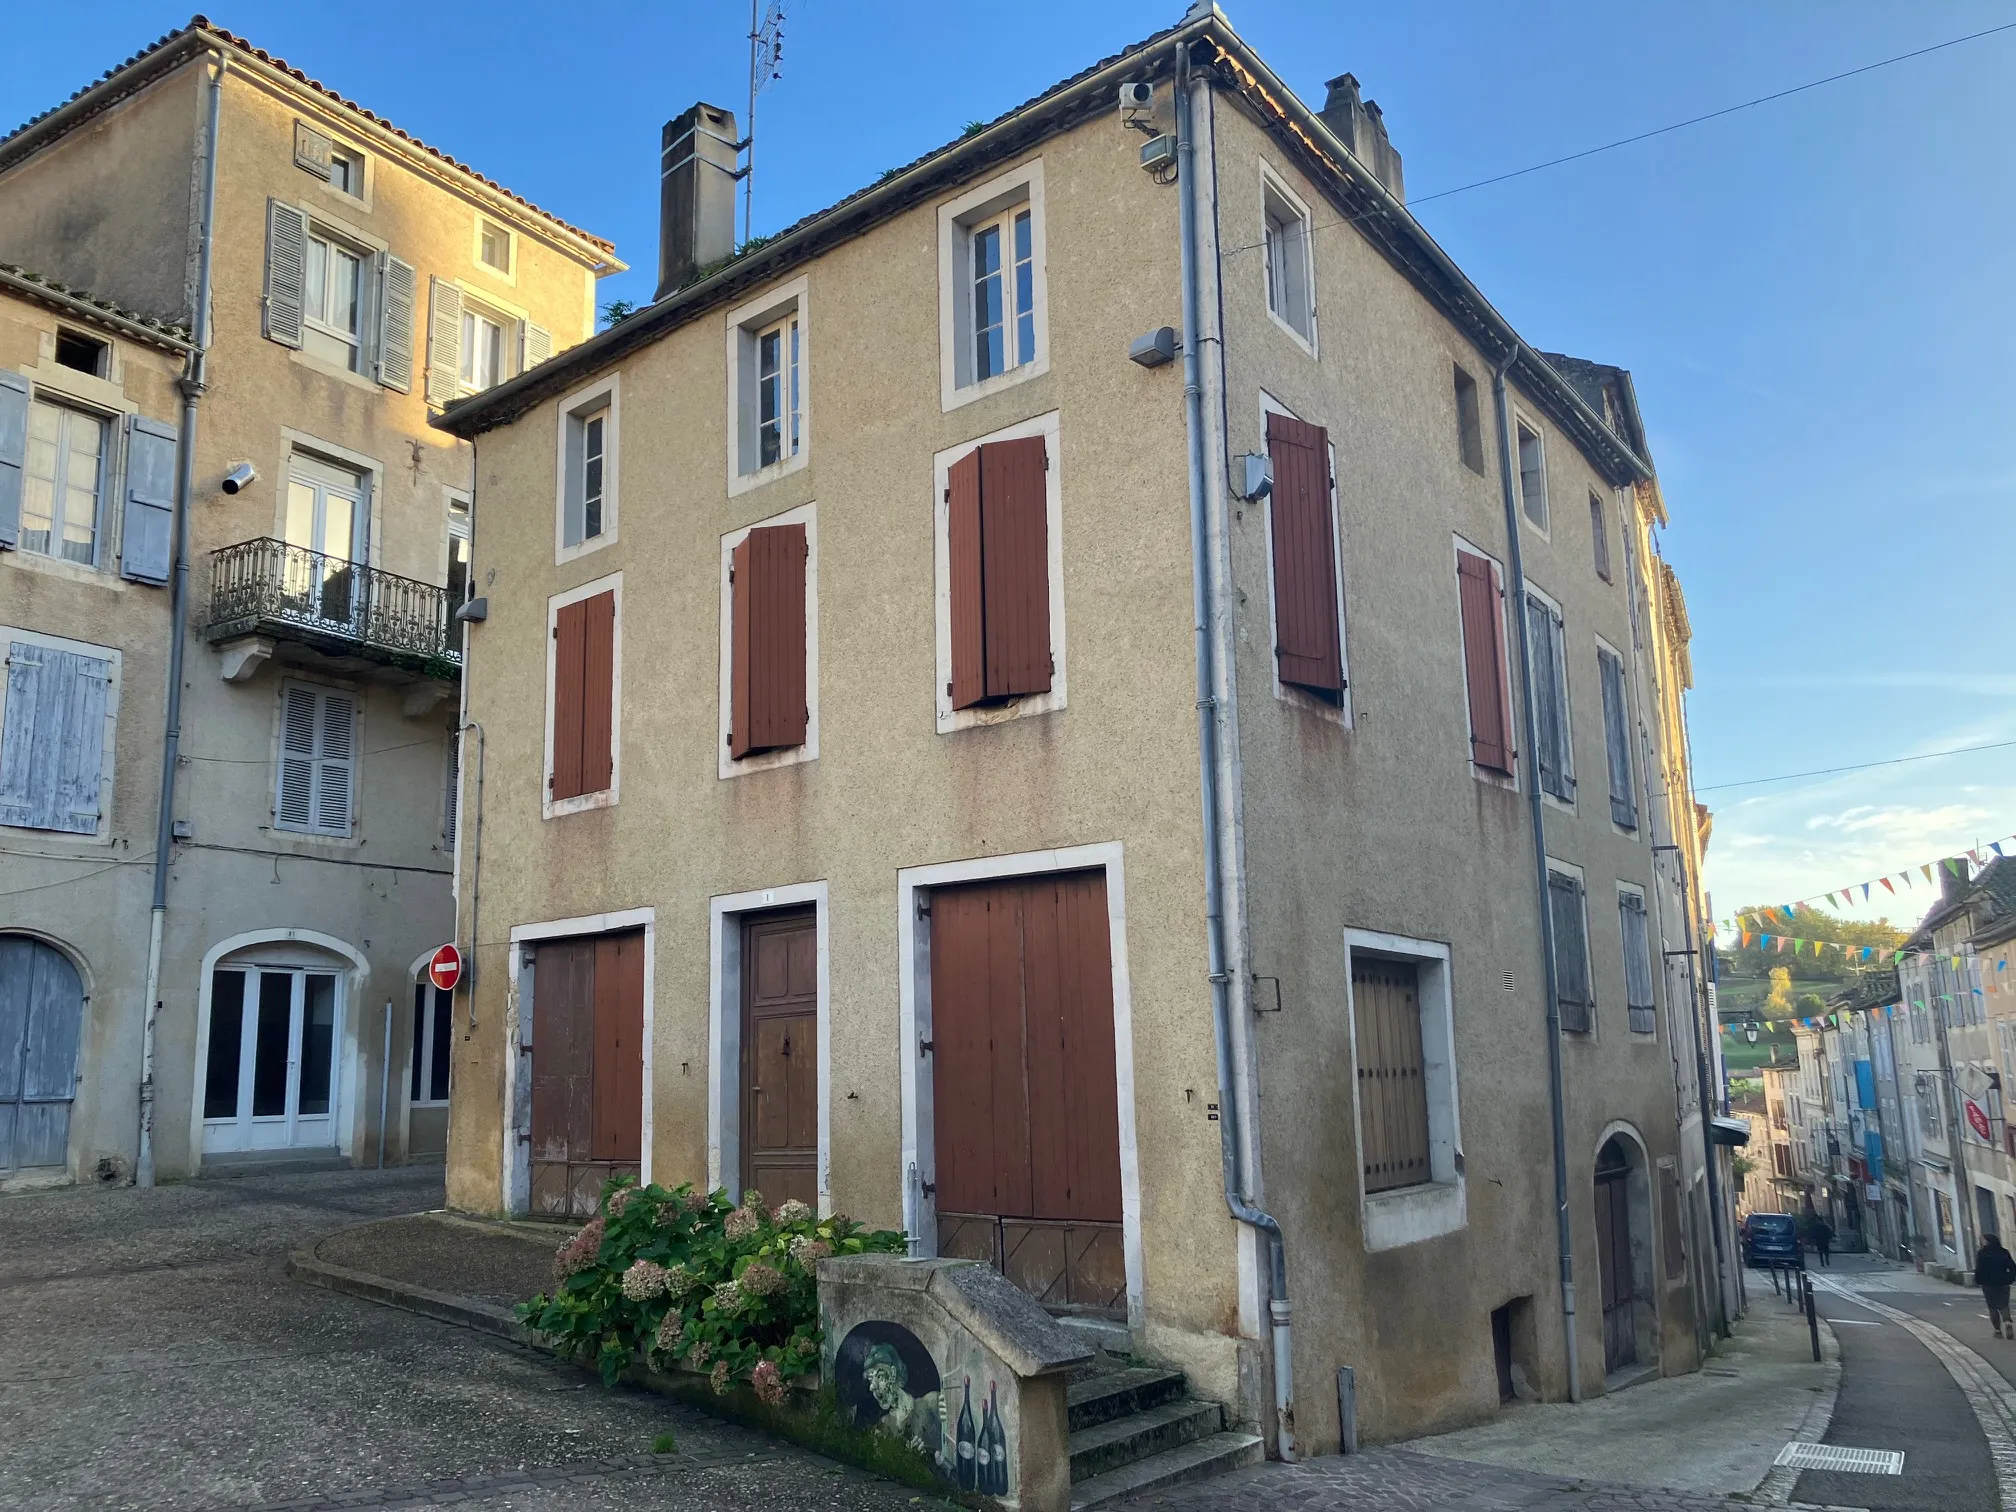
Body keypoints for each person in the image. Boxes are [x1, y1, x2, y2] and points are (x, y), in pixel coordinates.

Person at [1977, 1234, 2016, 1340]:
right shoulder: (2003, 1252)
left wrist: (1978, 1280)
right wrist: (2010, 1278)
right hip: (2003, 1282)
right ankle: (2007, 1322)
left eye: (1984, 1240)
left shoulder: (1982, 1254)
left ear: (1988, 1241)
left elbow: (1979, 1269)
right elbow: (2012, 1267)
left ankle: (1998, 1330)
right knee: (2004, 1305)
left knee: (1992, 1306)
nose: (1982, 1242)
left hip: (1988, 1284)